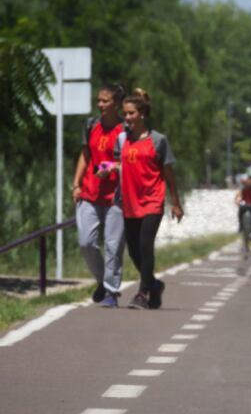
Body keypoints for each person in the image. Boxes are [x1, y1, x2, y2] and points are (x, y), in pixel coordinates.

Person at [115, 89, 183, 309]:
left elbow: (169, 173)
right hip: (130, 202)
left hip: (152, 201)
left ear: (142, 114)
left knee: (145, 245)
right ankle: (154, 285)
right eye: (124, 114)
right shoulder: (123, 139)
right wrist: (105, 170)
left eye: (131, 113)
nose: (127, 118)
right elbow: (120, 164)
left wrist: (175, 202)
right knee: (134, 250)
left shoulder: (158, 140)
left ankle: (142, 293)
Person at [71, 84, 126, 308]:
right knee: (86, 242)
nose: (100, 104)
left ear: (116, 104)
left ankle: (111, 291)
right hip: (90, 192)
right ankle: (103, 281)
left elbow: (132, 161)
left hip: (116, 196)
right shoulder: (91, 124)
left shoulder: (125, 130)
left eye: (105, 100)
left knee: (113, 245)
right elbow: (85, 155)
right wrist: (76, 184)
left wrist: (112, 166)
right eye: (98, 100)